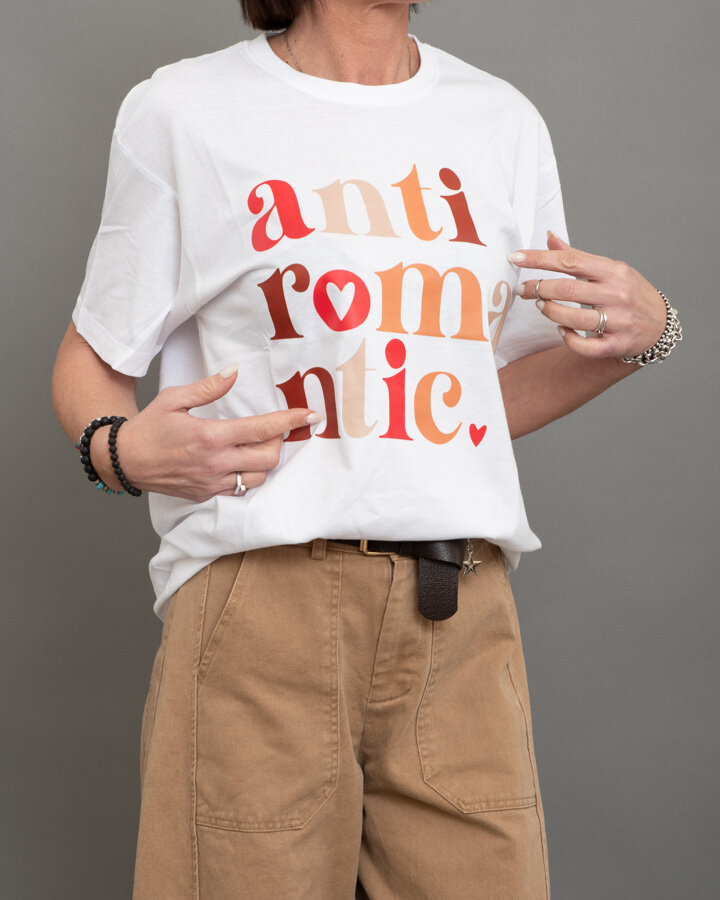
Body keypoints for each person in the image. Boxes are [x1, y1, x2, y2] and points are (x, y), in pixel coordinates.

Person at [51, 1, 682, 897]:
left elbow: (474, 401)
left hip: (461, 612)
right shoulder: (185, 110)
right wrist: (118, 452)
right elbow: (91, 360)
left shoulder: (499, 119)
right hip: (261, 603)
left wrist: (646, 338)